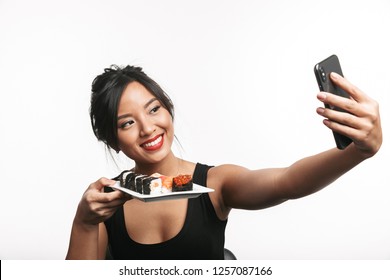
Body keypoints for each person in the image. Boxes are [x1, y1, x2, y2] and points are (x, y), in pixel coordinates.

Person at [65, 64, 382, 260]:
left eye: (153, 109)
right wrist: (84, 222)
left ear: (168, 109)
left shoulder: (214, 183)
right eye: (127, 123)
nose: (148, 128)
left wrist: (358, 150)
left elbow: (288, 181)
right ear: (112, 140)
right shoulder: (105, 202)